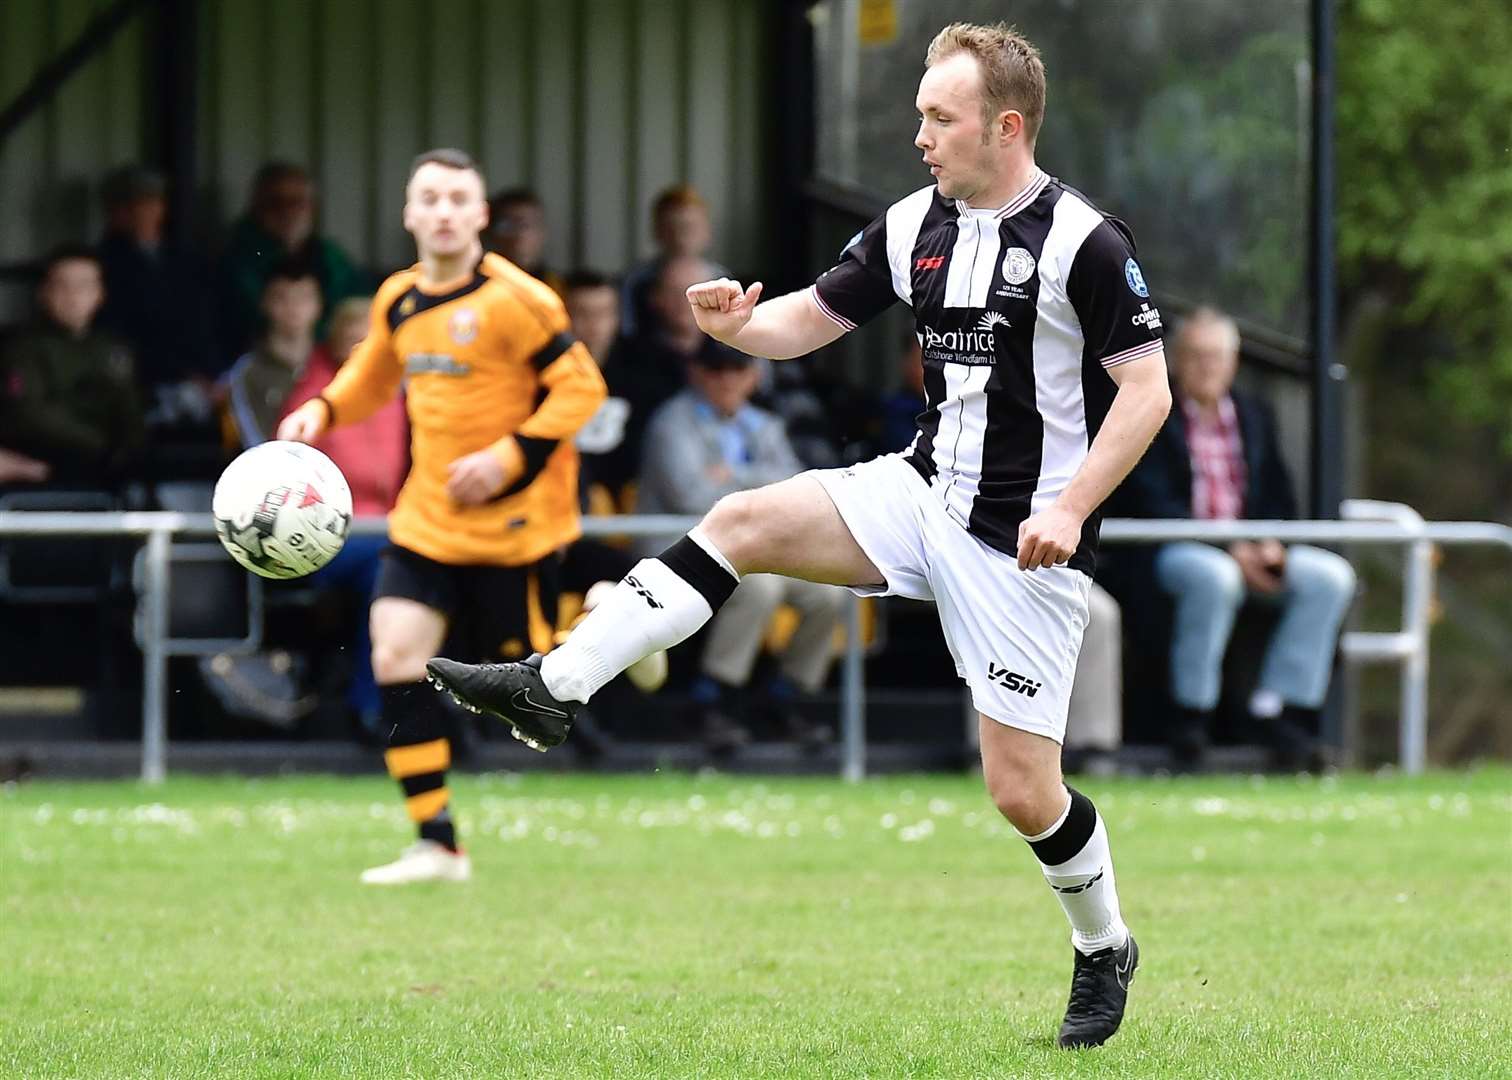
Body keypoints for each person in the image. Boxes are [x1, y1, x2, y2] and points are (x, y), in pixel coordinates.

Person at [428, 22, 1170, 1048]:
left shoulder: (1087, 242)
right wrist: (736, 324)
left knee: (1021, 792)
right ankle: (552, 687)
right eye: (918, 114)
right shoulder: (918, 221)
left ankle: (1104, 945)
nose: (919, 136)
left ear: (1005, 127)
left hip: (1021, 543)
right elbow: (807, 321)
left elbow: (1147, 392)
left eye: (938, 118)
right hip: (920, 493)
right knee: (739, 521)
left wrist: (1071, 506)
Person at [277, 148, 606, 885]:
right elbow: (369, 379)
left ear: (481, 214)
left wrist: (507, 456)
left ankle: (615, 626)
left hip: (515, 524)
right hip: (426, 520)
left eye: (460, 198)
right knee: (393, 654)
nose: (446, 211)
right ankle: (437, 843)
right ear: (409, 214)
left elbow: (581, 389)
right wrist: (320, 411)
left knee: (535, 687)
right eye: (431, 198)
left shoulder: (519, 300)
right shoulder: (397, 298)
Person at [1120, 307, 1356, 768]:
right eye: (1196, 356)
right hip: (1173, 551)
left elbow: (1277, 496)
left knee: (1331, 577)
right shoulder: (1154, 411)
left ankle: (1281, 709)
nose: (1207, 366)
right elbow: (1151, 501)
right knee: (1216, 577)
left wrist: (1272, 546)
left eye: (1216, 356)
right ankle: (1193, 715)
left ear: (1233, 362)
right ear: (1176, 360)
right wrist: (1232, 549)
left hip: (1251, 547)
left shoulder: (1254, 415)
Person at [637, 346, 843, 752]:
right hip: (680, 547)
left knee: (830, 595)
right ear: (696, 373)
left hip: (751, 549)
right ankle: (713, 701)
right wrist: (757, 487)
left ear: (754, 376)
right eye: (715, 370)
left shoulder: (765, 425)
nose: (727, 379)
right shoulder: (672, 421)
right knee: (758, 590)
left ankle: (785, 698)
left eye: (738, 369)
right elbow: (690, 496)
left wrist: (732, 476)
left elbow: (792, 488)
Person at [277, 297, 409, 734]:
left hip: (389, 526)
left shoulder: (395, 397)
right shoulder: (312, 396)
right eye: (350, 333)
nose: (359, 346)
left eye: (367, 337)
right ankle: (374, 706)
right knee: (391, 568)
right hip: (319, 535)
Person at [0, 246, 143, 488]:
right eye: (62, 286)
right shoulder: (21, 347)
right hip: (39, 470)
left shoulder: (112, 349)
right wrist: (100, 444)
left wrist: (128, 451)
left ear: (100, 294)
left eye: (84, 286)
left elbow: (131, 412)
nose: (73, 296)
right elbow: (28, 413)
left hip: (108, 475)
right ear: (44, 292)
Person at [94, 165, 220, 432]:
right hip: (147, 387)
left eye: (151, 201)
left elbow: (208, 319)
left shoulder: (185, 259)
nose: (143, 211)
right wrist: (184, 375)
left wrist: (211, 375)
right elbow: (119, 337)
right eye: (131, 204)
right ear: (114, 211)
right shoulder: (102, 266)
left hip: (206, 380)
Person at [219, 162, 364, 357]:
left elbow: (357, 304)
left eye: (296, 202)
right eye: (275, 203)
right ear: (256, 207)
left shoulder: (331, 256)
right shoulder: (236, 258)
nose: (287, 211)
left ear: (312, 208)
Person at [223, 263, 323, 446]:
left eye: (303, 298)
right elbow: (255, 444)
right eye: (281, 298)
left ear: (319, 304)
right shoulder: (247, 373)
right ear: (264, 303)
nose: (293, 307)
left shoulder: (336, 365)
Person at [619, 186, 731, 339]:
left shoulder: (722, 279)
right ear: (657, 231)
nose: (680, 237)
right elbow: (627, 333)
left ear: (707, 231)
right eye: (672, 228)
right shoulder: (635, 281)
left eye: (689, 228)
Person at [485, 188, 565, 295]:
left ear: (543, 232)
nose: (520, 235)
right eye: (508, 226)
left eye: (528, 225)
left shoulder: (559, 289)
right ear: (490, 231)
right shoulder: (476, 285)